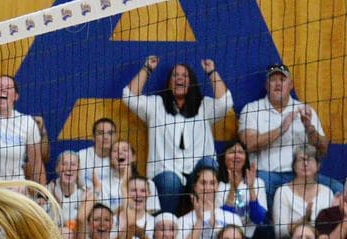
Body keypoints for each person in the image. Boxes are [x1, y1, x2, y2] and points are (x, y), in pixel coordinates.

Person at [122, 57, 232, 215]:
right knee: (170, 182)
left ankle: (207, 219)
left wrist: (212, 72)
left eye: (184, 76)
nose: (179, 78)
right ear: (169, 83)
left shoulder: (204, 106)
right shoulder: (156, 105)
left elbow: (225, 103)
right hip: (167, 173)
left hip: (197, 175)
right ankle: (168, 223)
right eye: (175, 75)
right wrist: (147, 68)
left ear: (191, 82)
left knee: (208, 163)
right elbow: (129, 96)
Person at [238, 62, 336, 201]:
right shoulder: (252, 109)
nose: (278, 84)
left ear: (291, 85)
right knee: (257, 186)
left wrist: (310, 129)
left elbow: (323, 149)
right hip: (268, 175)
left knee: (338, 189)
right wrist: (282, 128)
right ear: (267, 85)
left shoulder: (305, 110)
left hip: (302, 175)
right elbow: (249, 144)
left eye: (282, 80)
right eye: (273, 80)